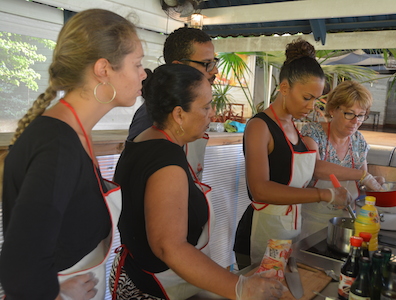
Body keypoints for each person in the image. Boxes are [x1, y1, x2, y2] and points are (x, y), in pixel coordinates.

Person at [0, 9, 147, 300]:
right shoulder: (58, 146)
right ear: (104, 69)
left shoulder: (74, 133)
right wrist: (58, 295)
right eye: (138, 64)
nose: (143, 74)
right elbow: (21, 269)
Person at [110, 64, 284, 300]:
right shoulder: (166, 162)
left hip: (138, 274)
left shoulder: (143, 140)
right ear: (179, 114)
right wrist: (241, 287)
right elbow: (169, 247)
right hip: (156, 289)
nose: (212, 113)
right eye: (205, 107)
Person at [233, 38, 356, 269]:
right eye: (307, 98)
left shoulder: (296, 131)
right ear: (285, 87)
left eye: (316, 100)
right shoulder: (260, 126)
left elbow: (296, 182)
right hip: (259, 232)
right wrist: (323, 195)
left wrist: (338, 191)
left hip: (289, 231)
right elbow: (260, 189)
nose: (311, 107)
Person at [127, 26, 218, 180]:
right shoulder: (151, 116)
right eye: (206, 63)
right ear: (178, 66)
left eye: (215, 62)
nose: (214, 71)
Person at [299, 80, 385, 238]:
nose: (355, 121)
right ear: (332, 110)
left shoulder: (359, 141)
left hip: (344, 222)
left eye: (361, 115)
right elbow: (316, 168)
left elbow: (361, 182)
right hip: (311, 221)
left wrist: (373, 182)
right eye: (349, 113)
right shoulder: (313, 132)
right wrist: (363, 176)